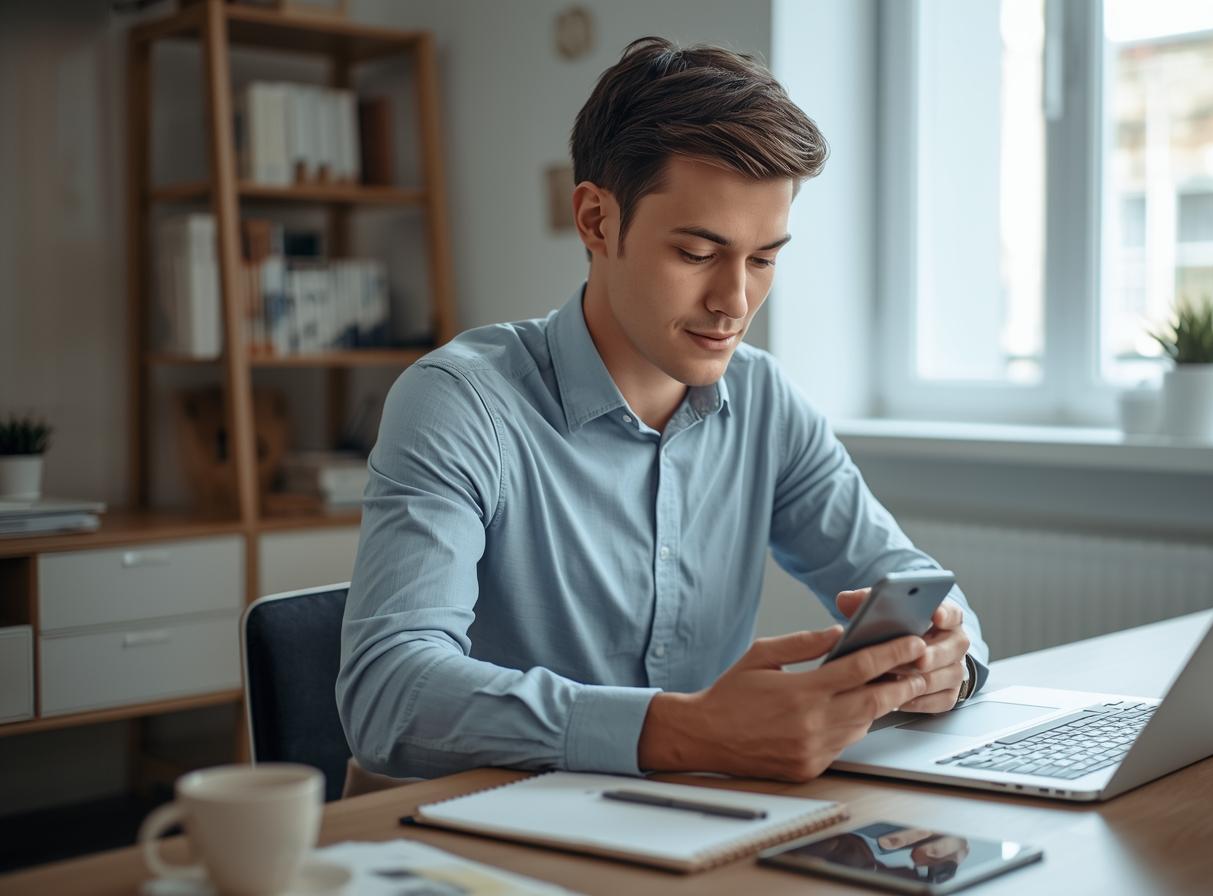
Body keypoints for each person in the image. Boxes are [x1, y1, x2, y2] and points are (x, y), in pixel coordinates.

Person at [337, 36, 989, 784]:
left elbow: (913, 584)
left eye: (764, 258)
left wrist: (947, 666)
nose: (735, 302)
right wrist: (681, 733)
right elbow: (387, 696)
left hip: (694, 828)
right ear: (595, 221)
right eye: (696, 253)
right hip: (491, 842)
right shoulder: (458, 403)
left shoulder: (766, 401)